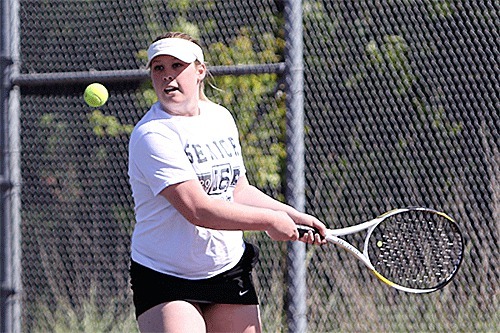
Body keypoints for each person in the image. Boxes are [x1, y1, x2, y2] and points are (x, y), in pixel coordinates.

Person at [128, 31, 327, 333]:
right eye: (159, 68)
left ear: (199, 71)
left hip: (227, 269)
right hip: (166, 276)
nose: (167, 76)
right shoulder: (152, 135)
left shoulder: (219, 118)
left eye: (176, 66)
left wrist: (291, 215)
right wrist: (270, 221)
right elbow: (198, 209)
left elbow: (237, 190)